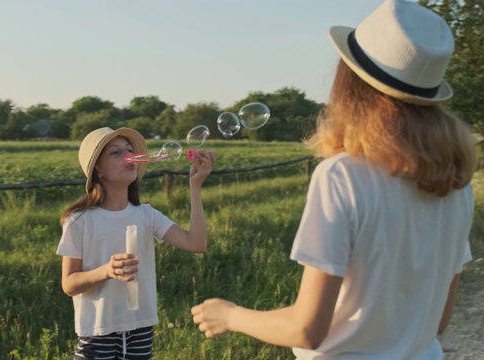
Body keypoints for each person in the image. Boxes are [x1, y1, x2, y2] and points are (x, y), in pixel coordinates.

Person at [191, 0, 478, 358]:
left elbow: (307, 330)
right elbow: (438, 321)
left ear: (350, 82)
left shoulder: (342, 176)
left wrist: (230, 315)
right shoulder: (456, 183)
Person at [57, 127, 216, 360]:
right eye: (116, 152)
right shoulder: (80, 220)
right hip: (98, 332)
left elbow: (196, 244)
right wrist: (107, 271)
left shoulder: (146, 215)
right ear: (98, 169)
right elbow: (69, 284)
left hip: (140, 328)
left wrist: (195, 185)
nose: (129, 156)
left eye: (130, 150)